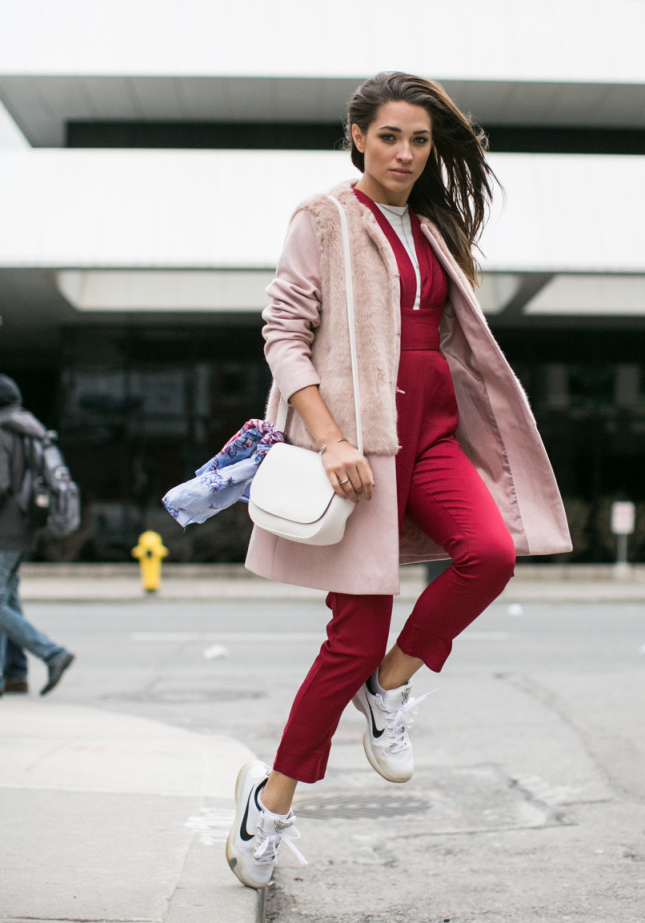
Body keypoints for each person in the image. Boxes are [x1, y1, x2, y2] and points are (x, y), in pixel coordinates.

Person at [225, 72, 571, 888]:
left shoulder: (429, 227)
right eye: (390, 136)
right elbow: (282, 333)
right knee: (348, 640)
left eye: (419, 139)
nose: (406, 153)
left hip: (432, 435)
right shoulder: (322, 219)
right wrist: (331, 437)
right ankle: (267, 810)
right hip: (360, 451)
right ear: (356, 135)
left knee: (489, 553)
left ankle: (391, 686)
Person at [0, 374, 75, 697]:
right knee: (8, 598)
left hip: (4, 529)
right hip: (24, 527)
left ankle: (51, 652)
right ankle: (15, 674)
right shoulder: (28, 427)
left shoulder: (2, 431)